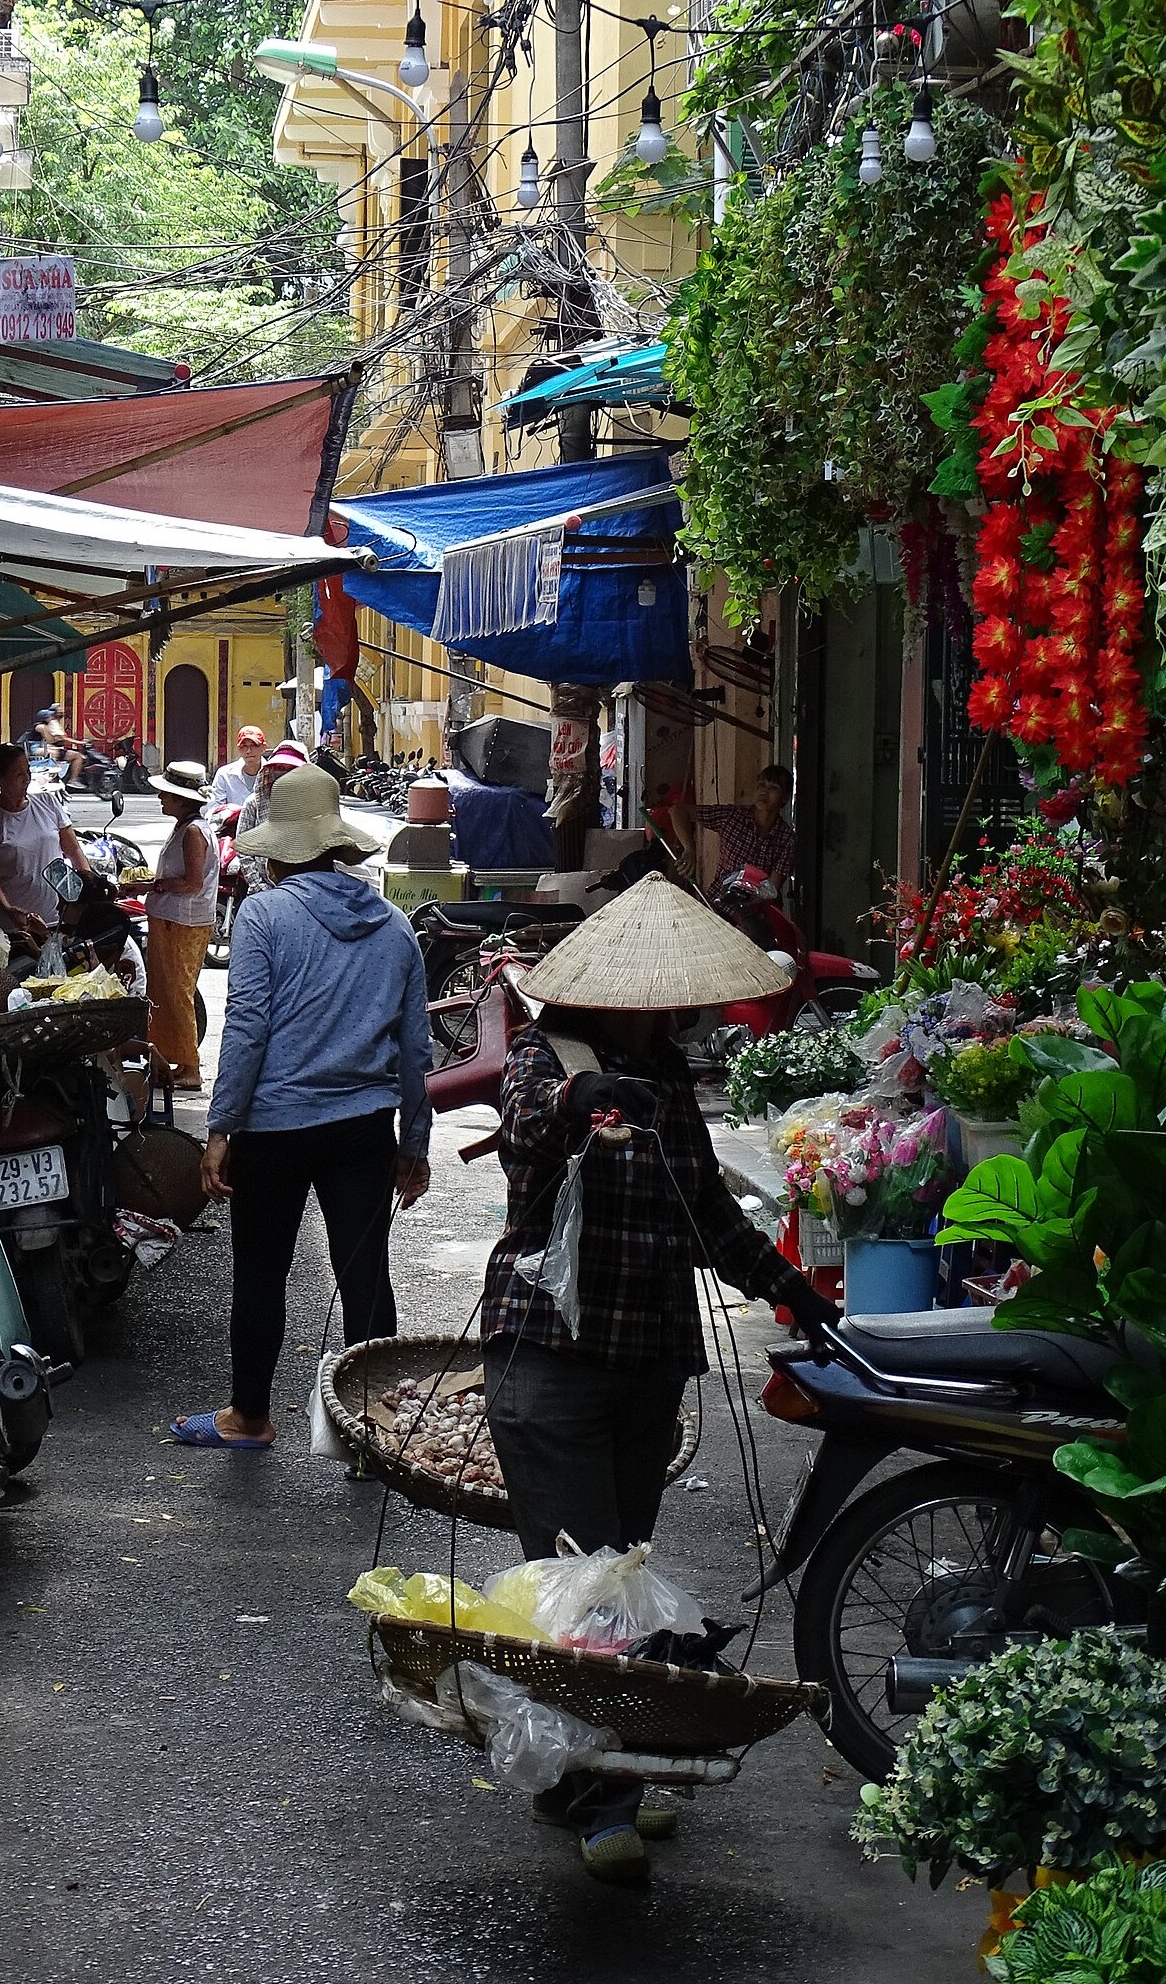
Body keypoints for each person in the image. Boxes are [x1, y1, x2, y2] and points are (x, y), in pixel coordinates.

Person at [483, 872, 840, 1885]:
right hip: (548, 1366)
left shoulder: (670, 1075)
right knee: (587, 1595)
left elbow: (710, 1217)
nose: (675, 1012)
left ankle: (580, 1773)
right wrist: (581, 1100)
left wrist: (793, 1292)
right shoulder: (547, 1058)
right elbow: (527, 1125)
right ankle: (603, 1804)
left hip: (645, 1367)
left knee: (615, 1582)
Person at [172, 765, 431, 1450]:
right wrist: (415, 1143)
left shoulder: (264, 916)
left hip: (274, 1130)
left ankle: (249, 1418)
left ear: (279, 852)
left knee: (261, 1275)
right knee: (365, 1278)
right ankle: (376, 1432)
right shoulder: (394, 926)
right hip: (364, 1129)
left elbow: (247, 1030)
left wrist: (221, 1129)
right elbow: (416, 1049)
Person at [0, 740, 93, 943]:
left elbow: (73, 850)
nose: (27, 779)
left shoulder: (48, 802)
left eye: (27, 771)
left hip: (60, 917)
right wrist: (8, 909)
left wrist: (89, 891)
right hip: (17, 925)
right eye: (19, 774)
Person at [143, 761, 218, 1089]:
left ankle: (191, 1067)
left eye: (166, 794)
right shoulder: (186, 827)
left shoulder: (193, 832)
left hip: (182, 922)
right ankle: (177, 1060)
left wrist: (155, 886)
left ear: (181, 799)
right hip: (174, 919)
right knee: (168, 992)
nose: (161, 798)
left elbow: (192, 882)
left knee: (178, 994)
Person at [670, 763, 796, 894]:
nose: (764, 791)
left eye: (774, 788)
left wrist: (747, 900)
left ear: (785, 797)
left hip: (755, 904)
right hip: (717, 902)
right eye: (761, 785)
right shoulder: (732, 816)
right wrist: (689, 849)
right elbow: (677, 811)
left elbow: (771, 889)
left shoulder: (786, 839)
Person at [235, 737, 308, 896]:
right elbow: (243, 848)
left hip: (303, 890)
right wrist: (259, 886)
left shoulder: (311, 804)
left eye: (291, 768)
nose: (284, 773)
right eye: (280, 767)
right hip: (262, 891)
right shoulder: (254, 803)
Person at [210, 724, 267, 811]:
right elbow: (215, 808)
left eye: (254, 745)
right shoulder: (224, 774)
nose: (248, 751)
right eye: (244, 746)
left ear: (263, 747)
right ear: (238, 749)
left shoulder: (272, 774)